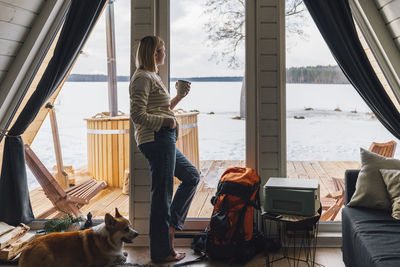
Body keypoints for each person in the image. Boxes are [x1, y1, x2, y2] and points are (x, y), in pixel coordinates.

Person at [130, 36, 200, 262]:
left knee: (191, 176)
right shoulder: (141, 78)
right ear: (154, 53)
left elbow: (160, 109)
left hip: (165, 138)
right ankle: (162, 252)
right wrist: (166, 123)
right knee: (162, 195)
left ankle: (170, 227)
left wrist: (178, 97)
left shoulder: (152, 76)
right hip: (156, 139)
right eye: (163, 50)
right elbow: (137, 116)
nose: (165, 54)